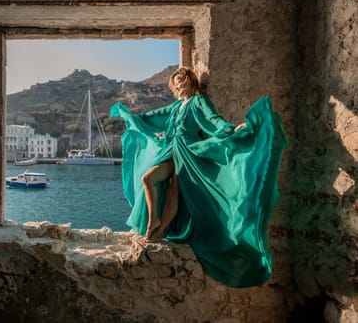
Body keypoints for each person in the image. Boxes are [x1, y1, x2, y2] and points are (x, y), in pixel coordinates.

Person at [110, 66, 287, 288]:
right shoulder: (176, 107)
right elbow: (151, 118)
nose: (178, 84)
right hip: (171, 151)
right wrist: (129, 116)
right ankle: (154, 219)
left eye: (181, 80)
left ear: (191, 81)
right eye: (175, 82)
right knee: (148, 178)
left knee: (176, 191)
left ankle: (160, 230)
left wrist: (232, 130)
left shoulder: (198, 101)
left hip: (189, 153)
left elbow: (214, 120)